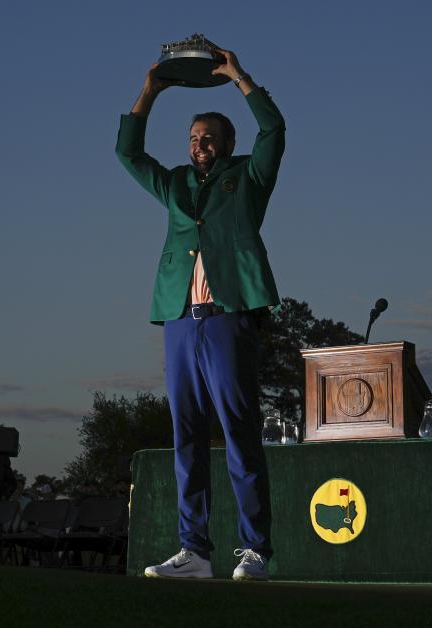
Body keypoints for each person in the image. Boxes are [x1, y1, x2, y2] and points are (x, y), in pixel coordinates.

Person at [115, 48, 284, 581]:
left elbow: (274, 130)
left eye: (208, 137)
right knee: (186, 435)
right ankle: (195, 552)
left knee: (238, 430)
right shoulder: (176, 185)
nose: (198, 145)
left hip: (228, 317)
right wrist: (150, 92)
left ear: (226, 144)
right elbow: (128, 154)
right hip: (179, 320)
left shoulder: (247, 179)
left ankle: (255, 549)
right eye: (192, 138)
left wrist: (240, 79)